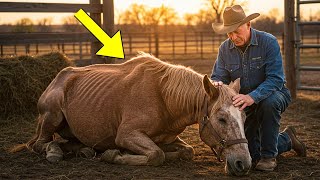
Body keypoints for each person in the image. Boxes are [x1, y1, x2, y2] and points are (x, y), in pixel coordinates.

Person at [210, 5, 306, 171]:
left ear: (248, 25)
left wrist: (252, 97)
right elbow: (219, 77)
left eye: (236, 31)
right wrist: (216, 84)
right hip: (244, 102)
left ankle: (269, 157)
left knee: (269, 103)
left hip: (274, 94)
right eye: (229, 32)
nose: (233, 36)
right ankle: (287, 139)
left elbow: (276, 79)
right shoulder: (225, 49)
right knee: (252, 155)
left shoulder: (268, 42)